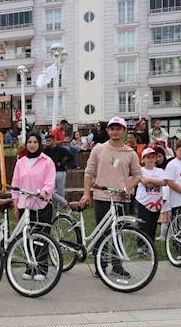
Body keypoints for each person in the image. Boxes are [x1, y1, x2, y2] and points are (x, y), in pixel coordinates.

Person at [81, 117, 142, 277]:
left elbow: (137, 175)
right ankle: (100, 265)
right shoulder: (99, 149)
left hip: (121, 199)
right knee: (101, 232)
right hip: (102, 197)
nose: (115, 132)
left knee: (119, 233)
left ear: (124, 131)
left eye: (118, 128)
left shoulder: (130, 153)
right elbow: (89, 172)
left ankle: (117, 266)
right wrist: (86, 194)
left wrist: (127, 188)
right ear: (107, 131)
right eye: (112, 128)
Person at [9, 131, 55, 280]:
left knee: (41, 238)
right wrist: (16, 204)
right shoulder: (20, 162)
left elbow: (50, 181)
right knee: (27, 237)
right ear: (26, 144)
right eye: (30, 142)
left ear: (39, 144)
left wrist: (44, 191)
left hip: (41, 204)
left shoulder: (47, 161)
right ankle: (30, 267)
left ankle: (41, 268)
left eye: (35, 142)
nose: (32, 145)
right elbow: (15, 184)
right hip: (24, 205)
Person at [135, 148, 166, 243]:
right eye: (148, 157)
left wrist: (149, 180)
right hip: (144, 202)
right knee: (143, 224)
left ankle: (150, 244)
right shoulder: (140, 171)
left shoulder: (160, 171)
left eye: (153, 157)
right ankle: (141, 245)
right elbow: (146, 183)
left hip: (156, 202)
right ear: (143, 159)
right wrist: (155, 182)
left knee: (153, 225)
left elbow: (164, 182)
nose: (151, 159)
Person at [43, 133, 74, 208]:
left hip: (60, 171)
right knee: (51, 191)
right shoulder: (46, 150)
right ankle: (63, 204)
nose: (48, 142)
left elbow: (71, 156)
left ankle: (59, 210)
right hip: (50, 173)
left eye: (49, 140)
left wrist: (63, 163)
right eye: (46, 141)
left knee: (60, 192)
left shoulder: (61, 149)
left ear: (54, 140)